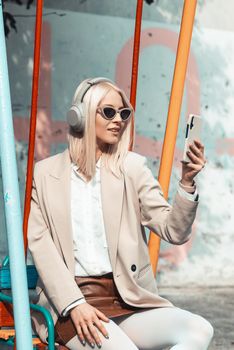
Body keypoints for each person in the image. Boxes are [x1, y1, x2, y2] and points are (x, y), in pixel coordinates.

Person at [28, 77, 214, 350]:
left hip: (128, 300)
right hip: (71, 305)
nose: (118, 119)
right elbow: (41, 247)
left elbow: (173, 230)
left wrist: (186, 182)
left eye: (124, 113)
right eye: (109, 111)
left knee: (200, 329)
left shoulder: (132, 168)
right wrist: (75, 304)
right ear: (80, 116)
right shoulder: (46, 174)